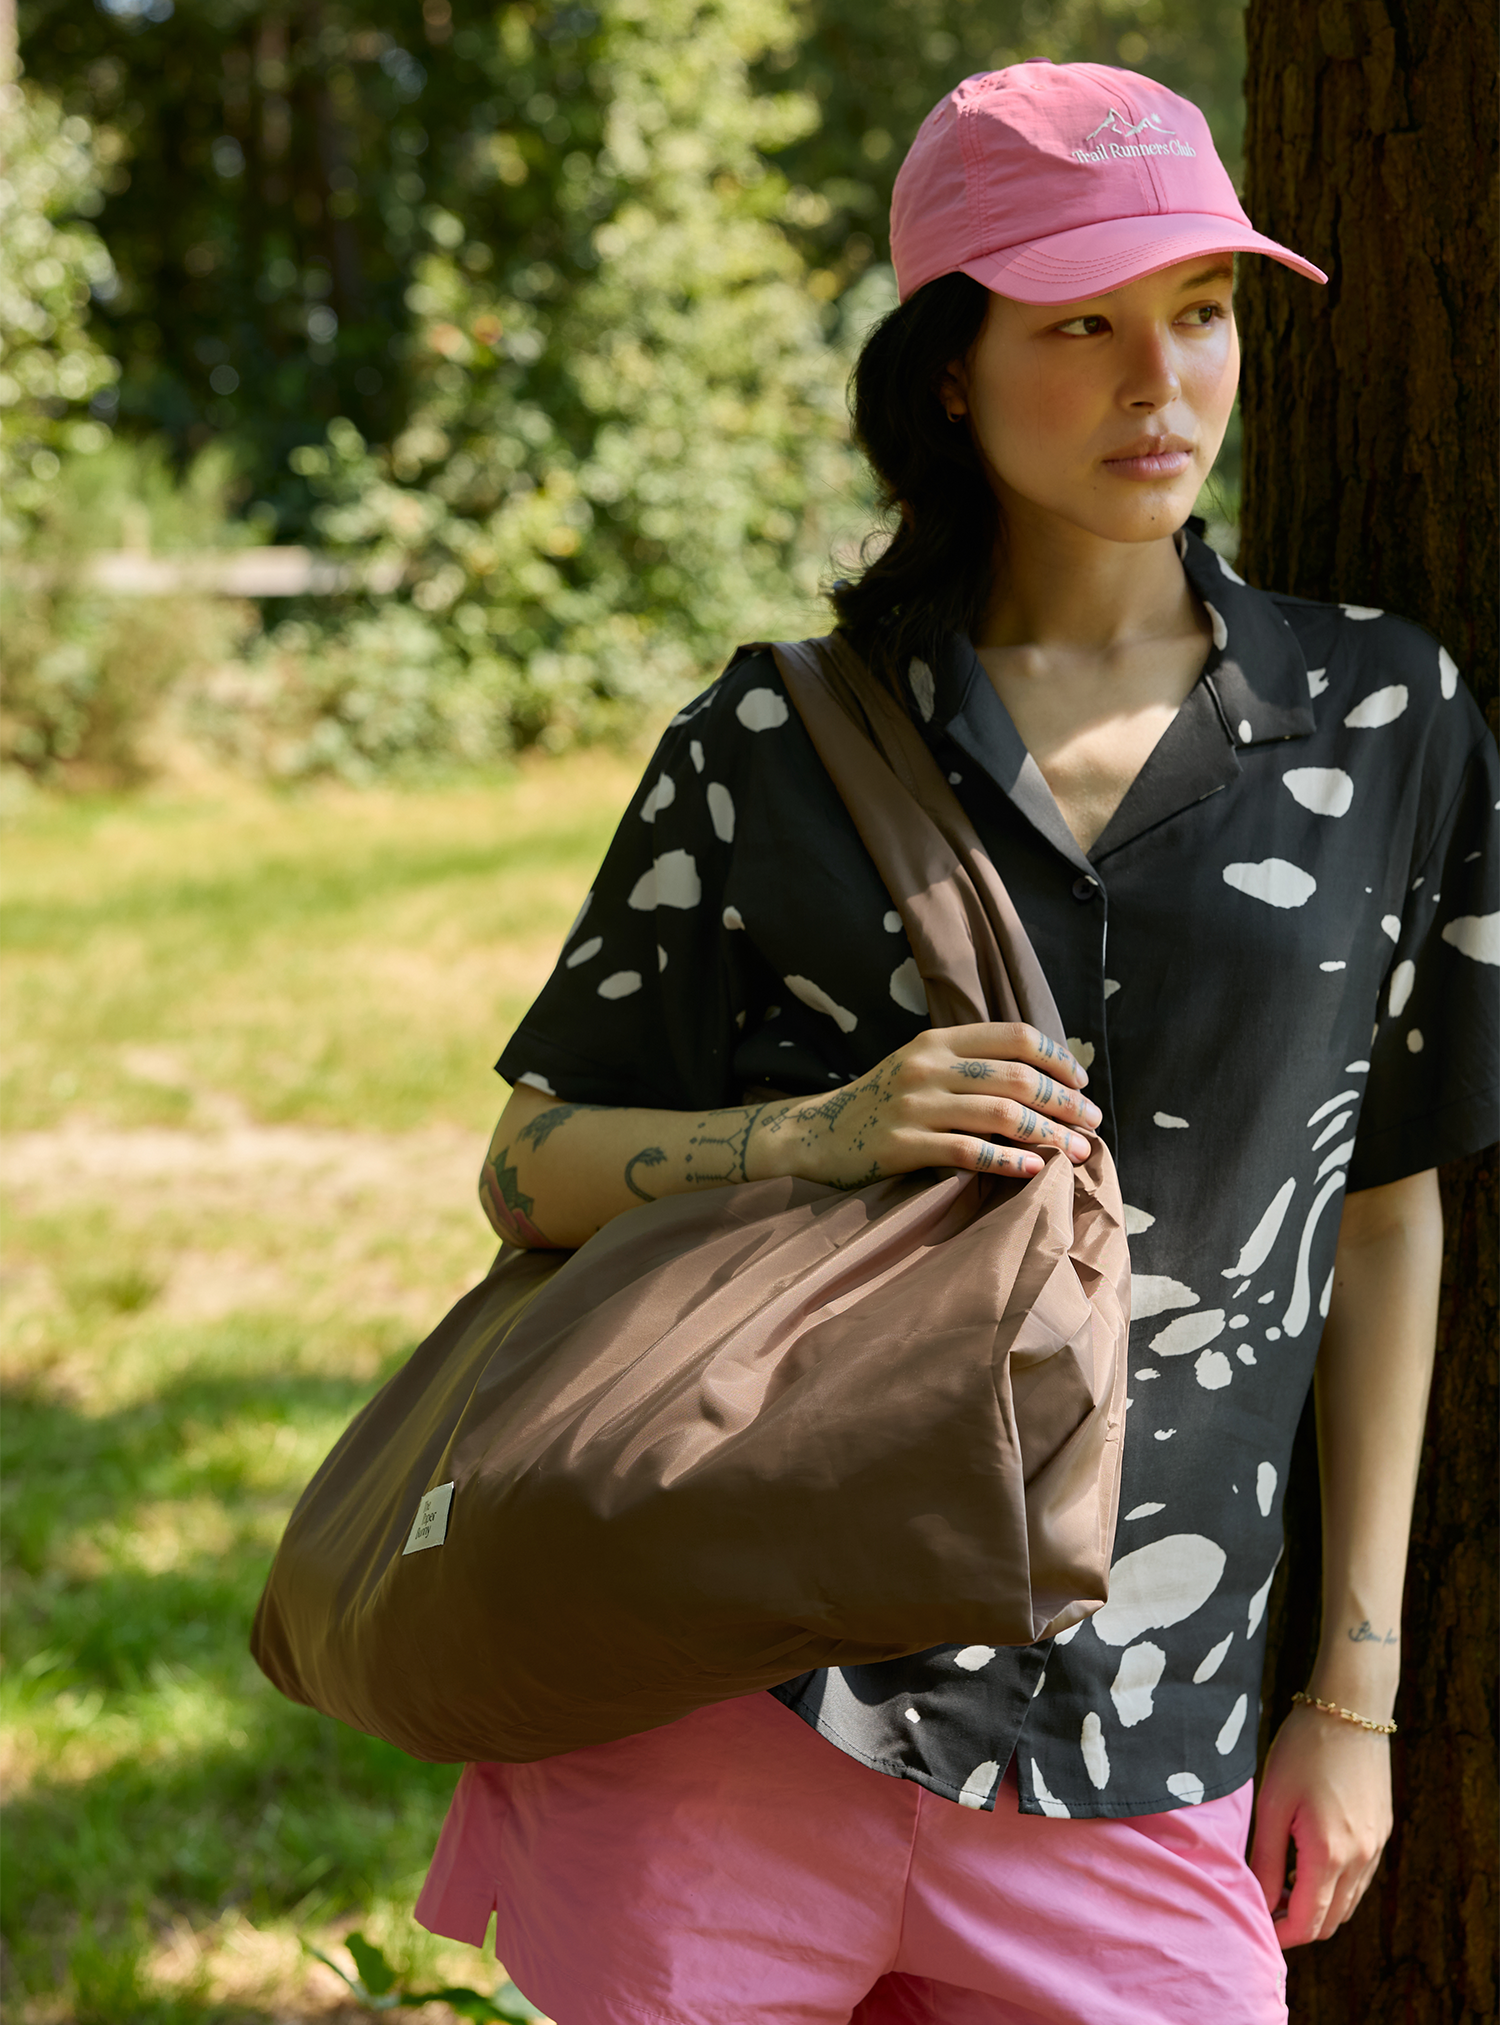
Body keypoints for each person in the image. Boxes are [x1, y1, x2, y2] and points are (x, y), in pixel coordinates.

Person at [414, 61, 1500, 2025]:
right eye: (1080, 326)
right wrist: (813, 1133)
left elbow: (1385, 1204)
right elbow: (529, 1165)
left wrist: (1354, 1696)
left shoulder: (1383, 722)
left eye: (1201, 313)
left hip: (1145, 1732)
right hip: (733, 1702)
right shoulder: (772, 745)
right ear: (945, 371)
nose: (1159, 383)